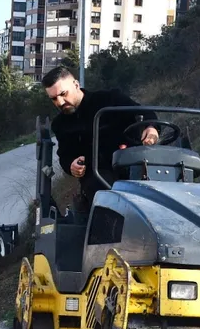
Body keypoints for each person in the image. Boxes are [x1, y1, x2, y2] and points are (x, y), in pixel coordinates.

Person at [42, 66, 160, 216]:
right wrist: (72, 165)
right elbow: (65, 157)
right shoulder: (61, 124)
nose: (60, 101)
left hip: (133, 164)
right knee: (104, 196)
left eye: (63, 94)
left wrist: (151, 128)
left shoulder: (109, 99)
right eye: (54, 98)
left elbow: (143, 112)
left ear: (76, 85)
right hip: (97, 176)